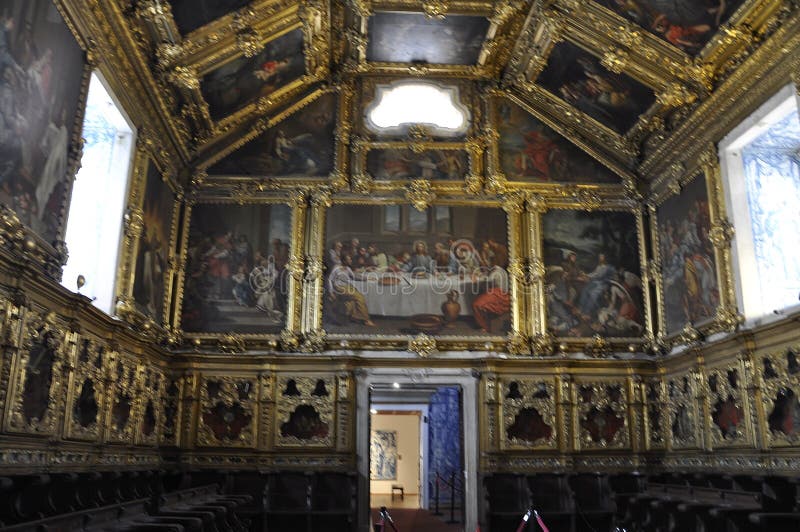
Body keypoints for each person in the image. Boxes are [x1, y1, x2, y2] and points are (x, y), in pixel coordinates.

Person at [328, 254, 375, 326]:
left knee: (352, 301)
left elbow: (354, 276)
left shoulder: (347, 268)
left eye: (350, 259)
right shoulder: (336, 268)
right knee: (360, 297)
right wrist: (331, 292)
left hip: (347, 287)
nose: (350, 260)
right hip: (339, 287)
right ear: (344, 260)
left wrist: (367, 278)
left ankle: (355, 317)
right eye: (349, 259)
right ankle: (366, 320)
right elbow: (330, 280)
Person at [472, 258, 510, 333]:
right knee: (479, 299)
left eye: (487, 262)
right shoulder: (498, 270)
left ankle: (484, 326)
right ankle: (484, 323)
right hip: (498, 293)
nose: (485, 264)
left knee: (476, 304)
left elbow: (488, 281)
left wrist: (477, 280)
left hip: (498, 294)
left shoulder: (496, 272)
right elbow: (488, 279)